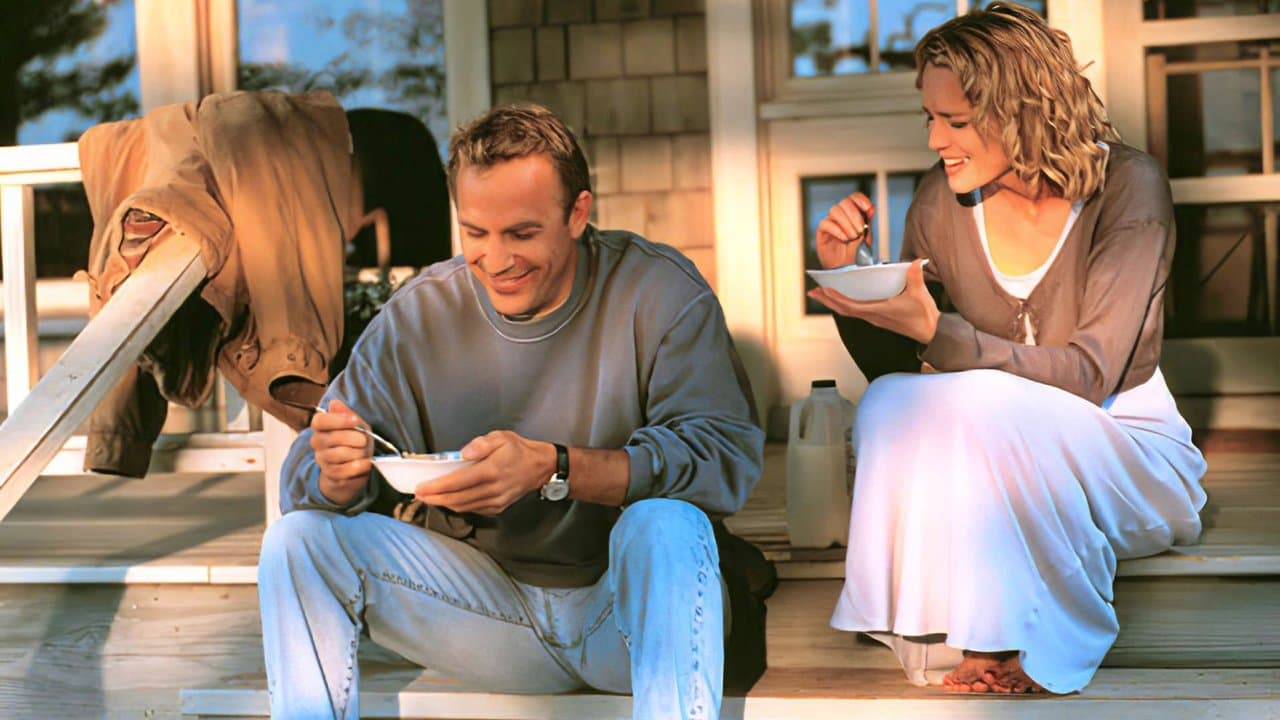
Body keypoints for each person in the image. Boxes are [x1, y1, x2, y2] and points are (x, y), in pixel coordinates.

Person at [256, 102, 766, 720]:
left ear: (578, 213)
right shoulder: (419, 316)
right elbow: (301, 485)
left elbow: (724, 460)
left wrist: (556, 468)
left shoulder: (658, 292)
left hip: (625, 620)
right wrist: (334, 477)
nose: (496, 261)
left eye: (522, 233)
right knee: (297, 541)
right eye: (475, 233)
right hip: (485, 614)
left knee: (668, 525)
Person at [808, 4, 1207, 696]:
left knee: (986, 397)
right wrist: (855, 287)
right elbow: (912, 375)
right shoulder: (940, 202)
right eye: (929, 118)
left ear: (1022, 109)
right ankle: (954, 630)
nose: (936, 139)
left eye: (956, 122)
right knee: (890, 400)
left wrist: (939, 333)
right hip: (995, 447)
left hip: (1127, 446)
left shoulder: (1127, 188)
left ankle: (1036, 634)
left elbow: (1088, 374)